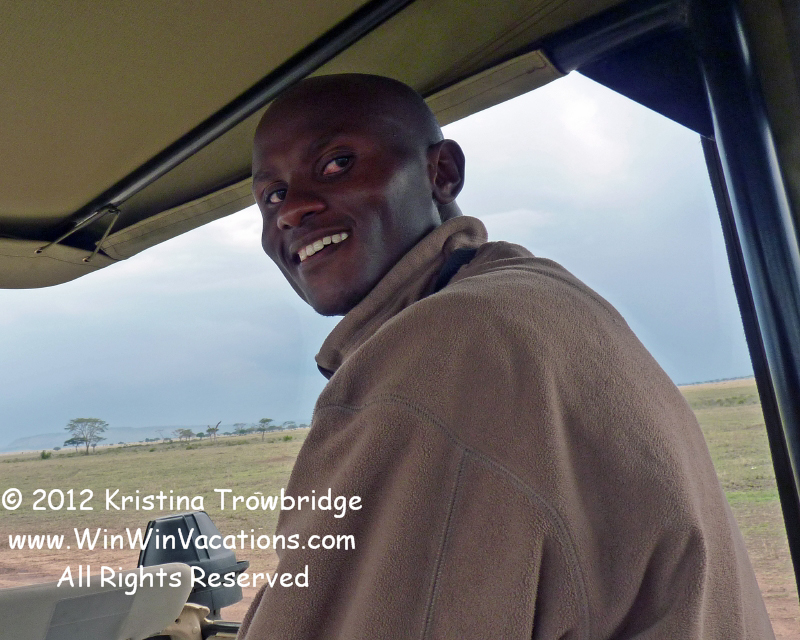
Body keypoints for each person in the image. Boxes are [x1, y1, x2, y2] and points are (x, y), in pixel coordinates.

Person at [240, 74, 774, 639]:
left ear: (442, 173)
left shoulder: (445, 346)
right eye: (271, 196)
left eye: (337, 164)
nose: (291, 211)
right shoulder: (542, 297)